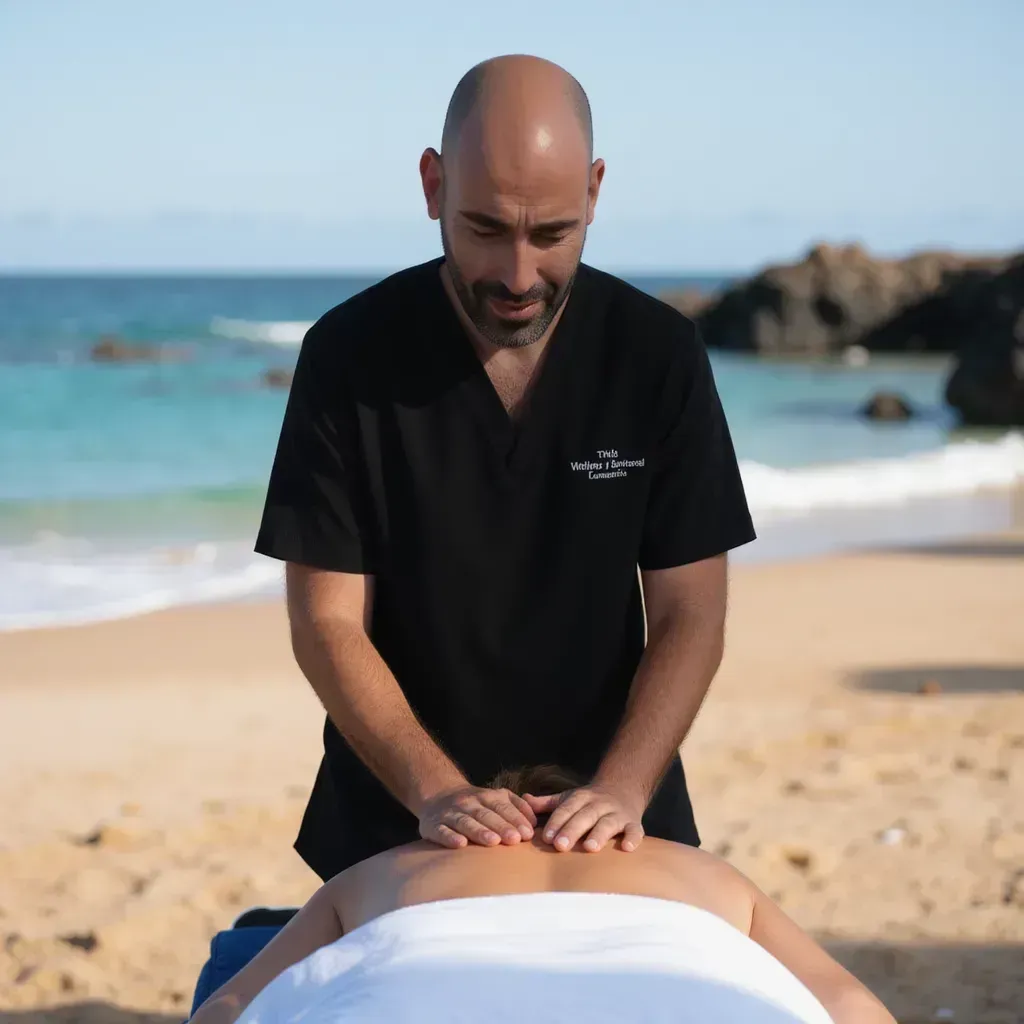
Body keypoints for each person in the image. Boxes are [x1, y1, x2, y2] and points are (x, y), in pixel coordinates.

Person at [254, 53, 756, 882]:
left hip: (610, 819)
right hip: (395, 821)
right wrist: (436, 793)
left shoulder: (656, 355)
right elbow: (327, 624)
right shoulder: (347, 356)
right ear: (431, 188)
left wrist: (624, 786)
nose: (519, 276)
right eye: (485, 228)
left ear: (594, 192)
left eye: (552, 233)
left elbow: (690, 615)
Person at [189, 766, 896, 1024]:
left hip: (412, 992)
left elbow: (228, 1006)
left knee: (249, 939)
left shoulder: (388, 867)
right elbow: (854, 1007)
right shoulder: (701, 870)